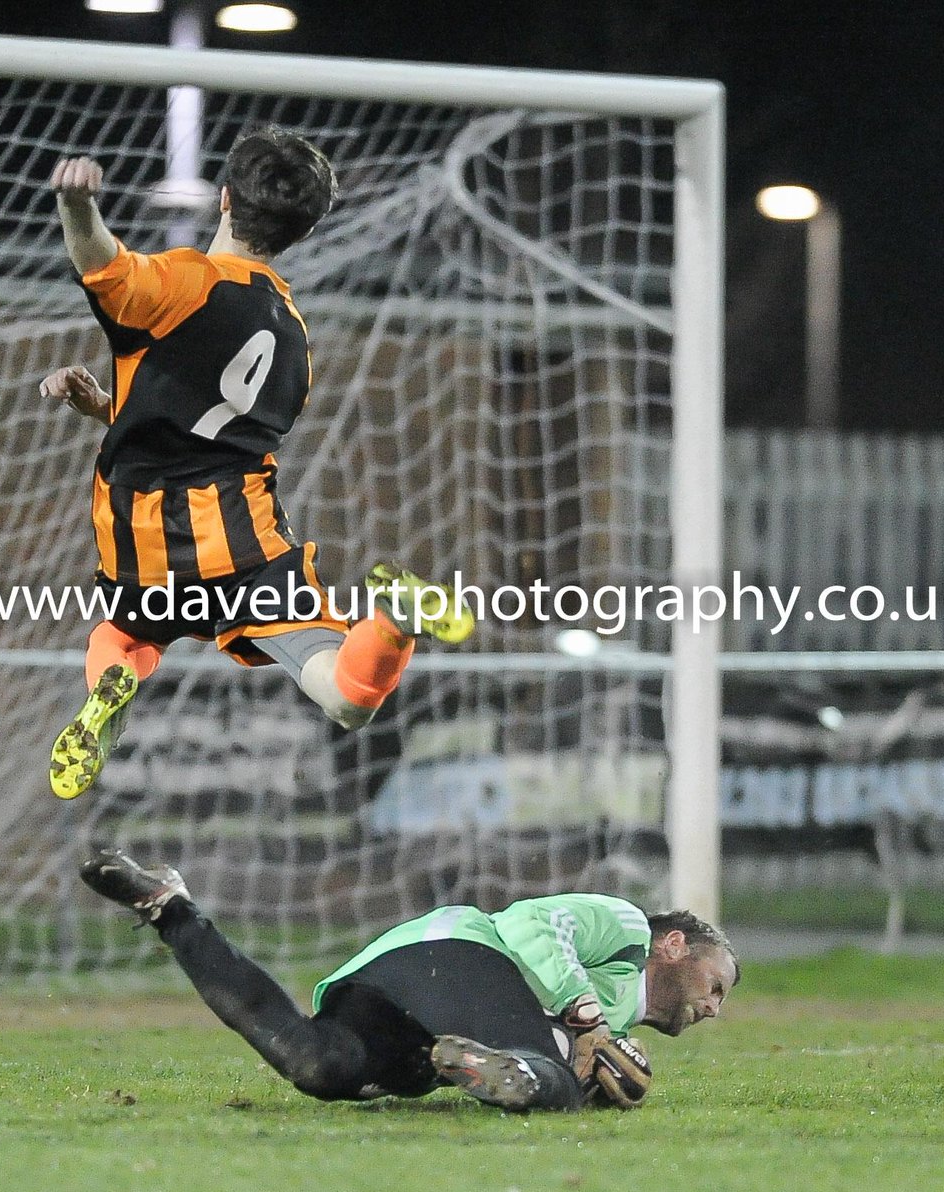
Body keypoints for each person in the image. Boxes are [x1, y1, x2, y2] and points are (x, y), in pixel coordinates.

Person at [43, 128, 473, 800]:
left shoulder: (184, 280)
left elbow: (105, 265)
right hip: (241, 544)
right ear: (301, 231)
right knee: (345, 697)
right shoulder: (293, 335)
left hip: (139, 536)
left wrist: (76, 208)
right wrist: (111, 407)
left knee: (123, 634)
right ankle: (391, 620)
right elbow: (218, 430)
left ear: (223, 200)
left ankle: (107, 688)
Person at [80, 847, 740, 1112]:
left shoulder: (620, 1013)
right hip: (456, 953)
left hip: (398, 990)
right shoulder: (627, 929)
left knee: (320, 1066)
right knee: (558, 1084)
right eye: (717, 985)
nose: (715, 1008)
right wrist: (585, 1018)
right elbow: (534, 925)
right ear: (676, 945)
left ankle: (170, 910)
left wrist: (603, 1068)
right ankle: (512, 1074)